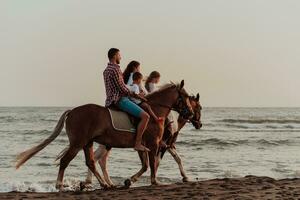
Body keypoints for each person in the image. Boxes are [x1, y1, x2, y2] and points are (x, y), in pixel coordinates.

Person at [103, 48, 150, 152]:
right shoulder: (115, 69)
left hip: (109, 100)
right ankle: (137, 143)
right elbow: (122, 88)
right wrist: (137, 96)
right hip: (120, 100)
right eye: (119, 55)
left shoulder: (106, 70)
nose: (120, 57)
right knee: (145, 116)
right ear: (115, 56)